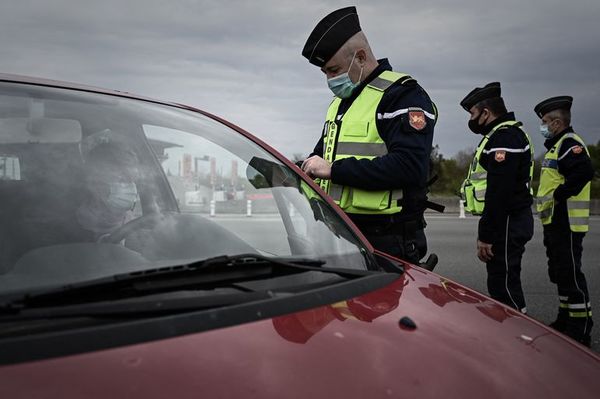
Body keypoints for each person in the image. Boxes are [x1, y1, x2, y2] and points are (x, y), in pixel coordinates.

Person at [299, 6, 438, 264]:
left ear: (361, 57)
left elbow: (410, 167)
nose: (330, 79)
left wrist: (334, 170)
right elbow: (322, 155)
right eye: (326, 73)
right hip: (343, 233)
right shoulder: (343, 101)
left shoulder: (402, 96)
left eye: (333, 69)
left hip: (387, 239)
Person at [459, 82, 534, 313]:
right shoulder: (502, 135)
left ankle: (518, 339)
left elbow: (499, 193)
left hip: (507, 222)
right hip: (508, 220)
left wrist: (486, 236)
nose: (471, 119)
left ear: (486, 112)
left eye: (472, 114)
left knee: (504, 289)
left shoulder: (505, 138)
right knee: (502, 283)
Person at [534, 96, 594, 346]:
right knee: (559, 272)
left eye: (545, 121)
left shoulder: (570, 143)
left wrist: (558, 196)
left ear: (557, 123)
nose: (543, 126)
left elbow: (583, 172)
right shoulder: (557, 145)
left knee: (570, 273)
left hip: (567, 221)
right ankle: (565, 318)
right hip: (555, 221)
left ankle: (580, 327)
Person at [75, 140, 139, 242]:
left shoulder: (134, 223)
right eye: (121, 180)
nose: (130, 188)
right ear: (92, 182)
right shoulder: (73, 229)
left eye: (130, 180)